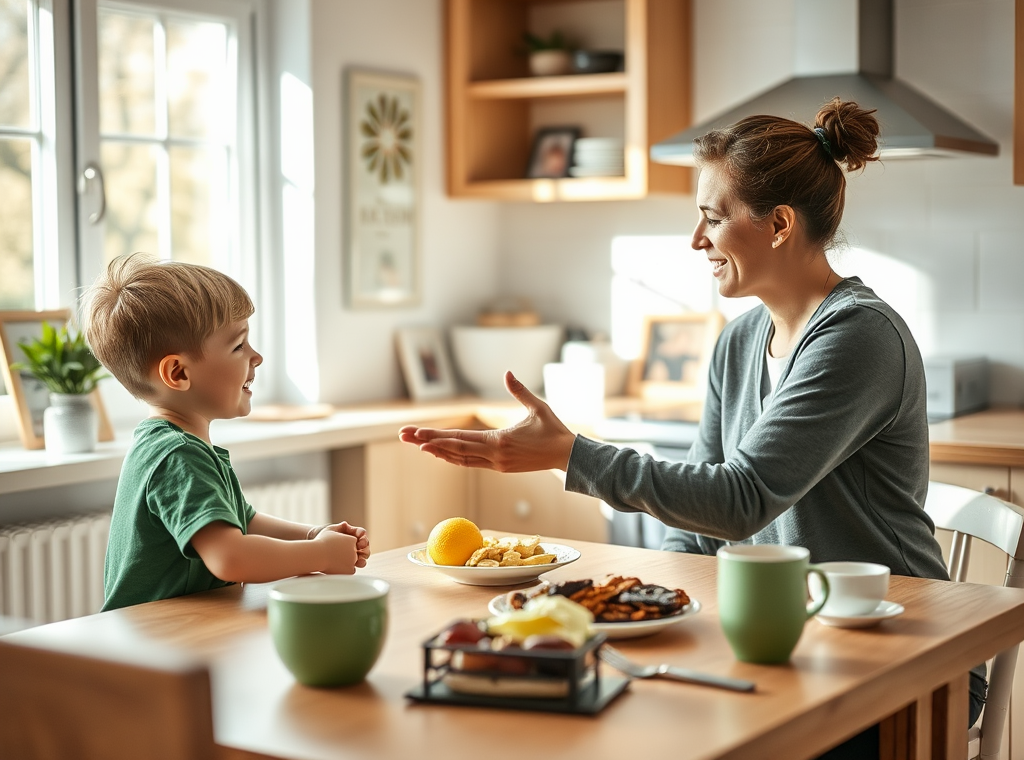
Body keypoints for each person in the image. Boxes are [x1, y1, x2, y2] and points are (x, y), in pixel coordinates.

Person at [398, 97, 985, 758]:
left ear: (780, 224)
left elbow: (741, 500)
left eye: (712, 217)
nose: (696, 240)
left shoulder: (857, 337)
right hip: (786, 634)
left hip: (904, 660)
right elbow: (700, 522)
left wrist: (570, 455)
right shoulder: (739, 342)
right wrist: (643, 604)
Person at [81, 254, 370, 611]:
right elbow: (230, 556)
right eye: (238, 346)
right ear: (179, 374)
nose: (257, 356)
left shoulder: (177, 444)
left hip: (180, 633)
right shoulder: (176, 455)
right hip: (156, 645)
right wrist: (320, 554)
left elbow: (244, 522)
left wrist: (313, 534)